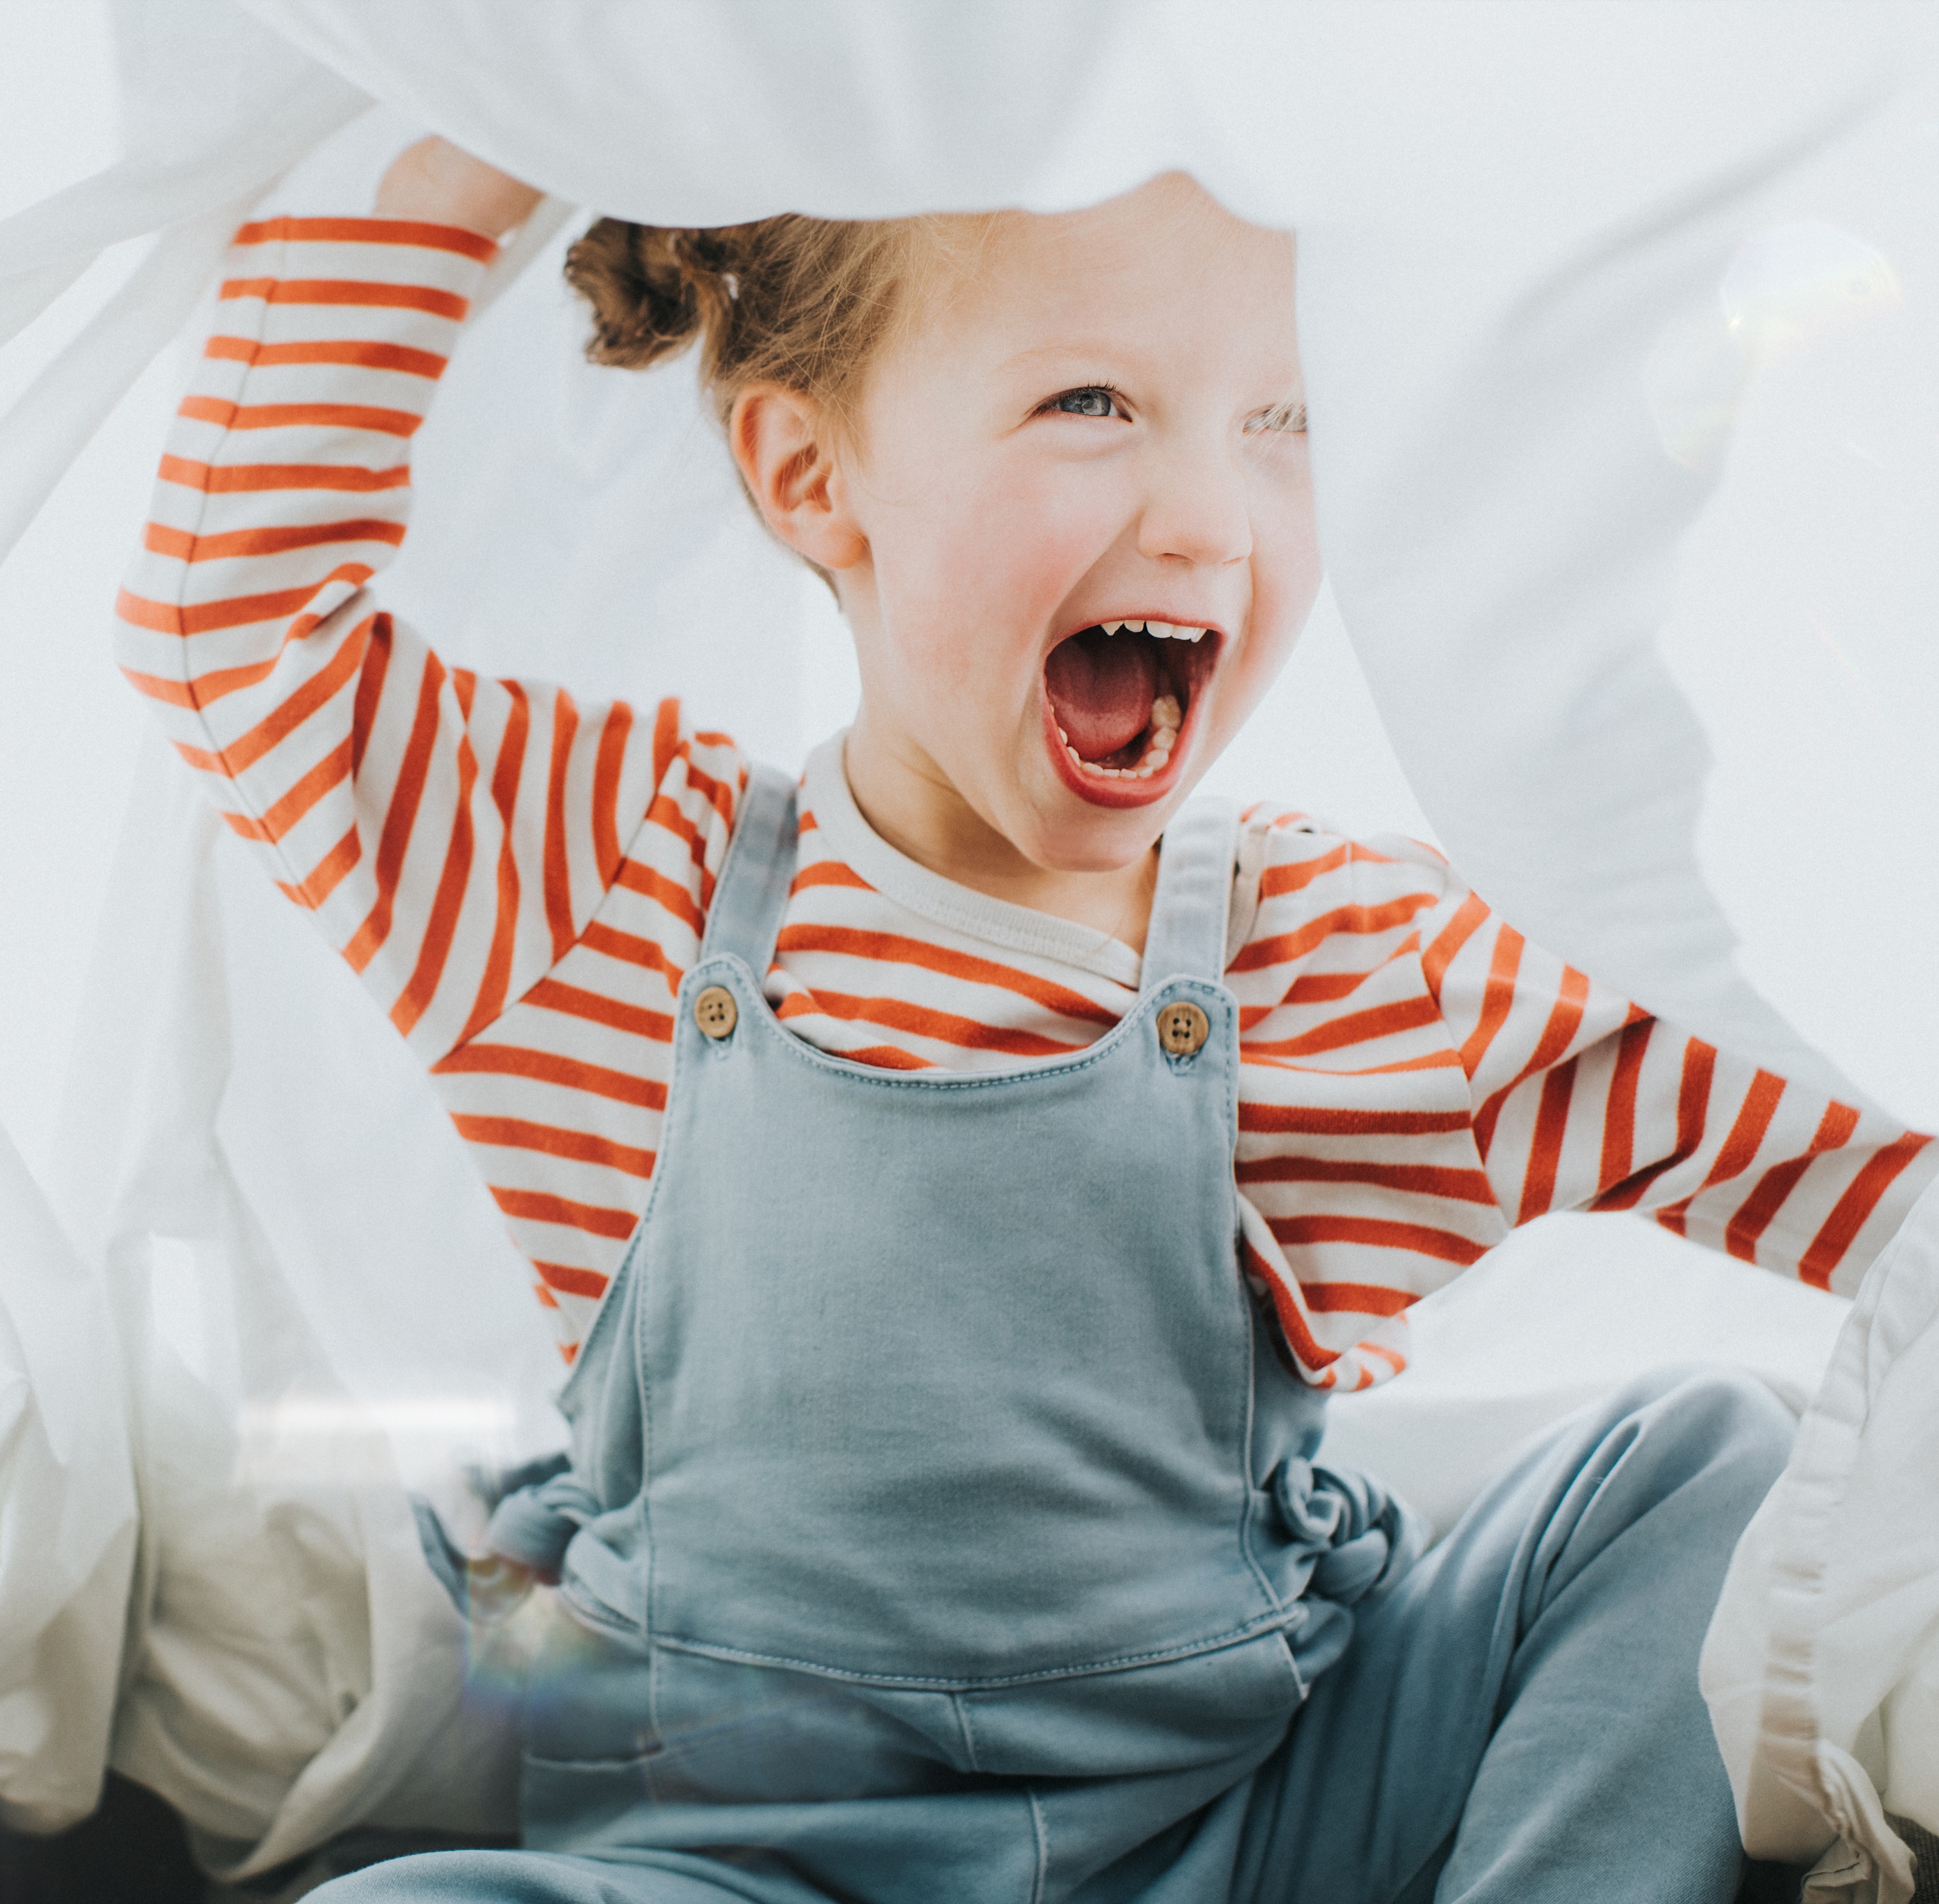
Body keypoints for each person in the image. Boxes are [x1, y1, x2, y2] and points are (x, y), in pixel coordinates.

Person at [107, 135, 1934, 1903]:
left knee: (1705, 1462)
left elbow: (1834, 1164)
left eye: (1281, 423)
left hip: (1254, 1828)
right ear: (811, 473)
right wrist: (484, 133)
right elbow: (230, 622)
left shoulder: (1345, 960)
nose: (1215, 514)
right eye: (1092, 405)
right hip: (729, 1866)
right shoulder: (615, 900)